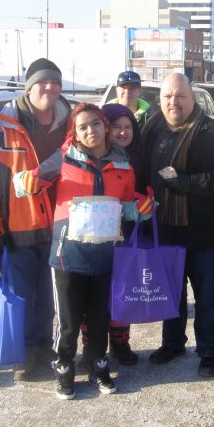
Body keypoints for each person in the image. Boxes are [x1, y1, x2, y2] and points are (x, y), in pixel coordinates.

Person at [13, 102, 152, 399]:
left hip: (104, 255)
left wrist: (142, 208)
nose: (91, 130)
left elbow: (126, 206)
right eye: (83, 126)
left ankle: (97, 364)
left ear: (105, 126)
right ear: (75, 132)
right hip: (68, 255)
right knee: (69, 321)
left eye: (96, 124)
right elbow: (33, 181)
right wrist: (24, 182)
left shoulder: (123, 162)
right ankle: (64, 369)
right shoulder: (65, 157)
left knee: (100, 318)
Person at [138, 73, 214, 378]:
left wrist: (187, 184)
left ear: (192, 98)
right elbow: (143, 175)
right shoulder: (151, 129)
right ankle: (172, 343)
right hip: (164, 230)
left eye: (180, 96)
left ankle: (209, 351)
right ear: (160, 99)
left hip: (204, 232)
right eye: (168, 96)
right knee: (170, 293)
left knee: (208, 297)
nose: (174, 102)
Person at [0, 58, 72, 381]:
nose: (49, 88)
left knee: (49, 295)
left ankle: (45, 345)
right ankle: (23, 354)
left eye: (55, 83)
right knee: (21, 294)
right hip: (18, 226)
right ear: (29, 87)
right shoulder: (4, 126)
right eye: (42, 83)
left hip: (60, 225)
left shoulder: (71, 123)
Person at [76, 103, 143, 367]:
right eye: (117, 127)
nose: (123, 133)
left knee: (120, 290)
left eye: (128, 128)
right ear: (105, 127)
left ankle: (120, 342)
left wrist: (144, 204)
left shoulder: (136, 156)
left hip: (126, 233)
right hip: (90, 236)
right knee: (88, 295)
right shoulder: (83, 155)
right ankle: (90, 346)